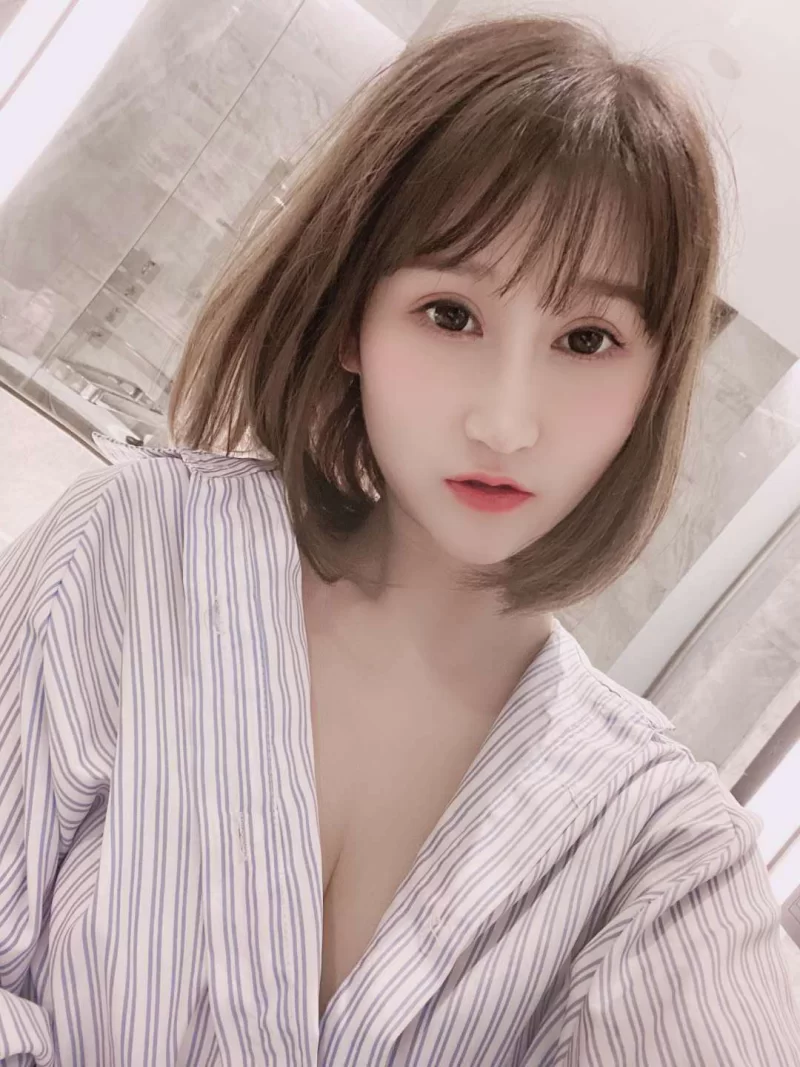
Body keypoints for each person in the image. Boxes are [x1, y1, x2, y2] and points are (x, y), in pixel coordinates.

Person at [1, 12, 799, 1066]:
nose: (505, 422)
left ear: (653, 381)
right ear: (351, 317)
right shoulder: (138, 547)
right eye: (450, 314)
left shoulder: (656, 842)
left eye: (586, 338)